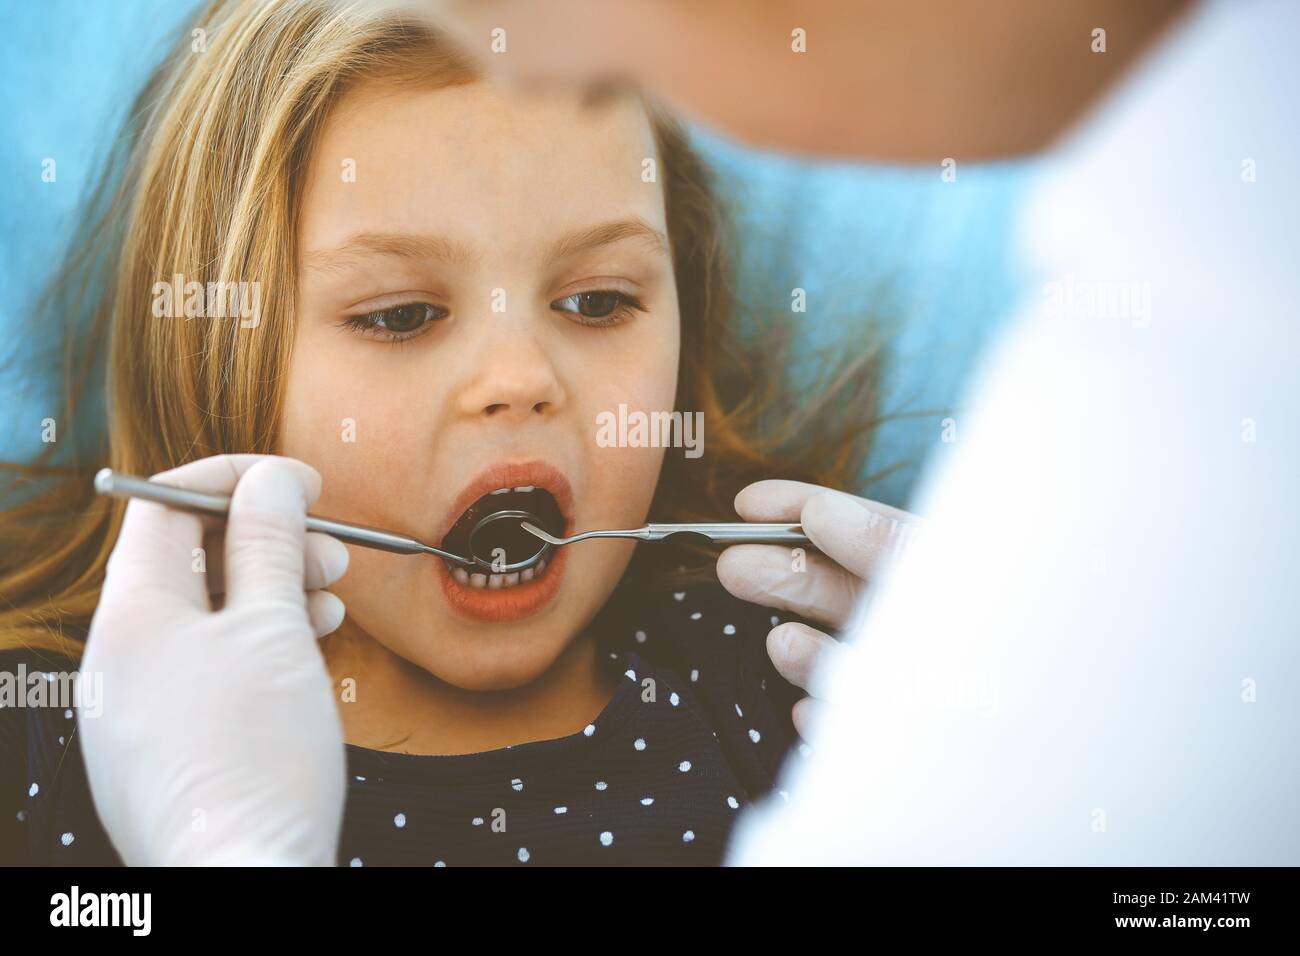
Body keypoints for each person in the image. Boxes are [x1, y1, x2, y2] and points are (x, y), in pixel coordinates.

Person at [0, 0, 914, 866]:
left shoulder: (803, 687)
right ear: (208, 350)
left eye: (597, 301)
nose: (519, 379)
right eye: (400, 316)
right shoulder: (57, 741)